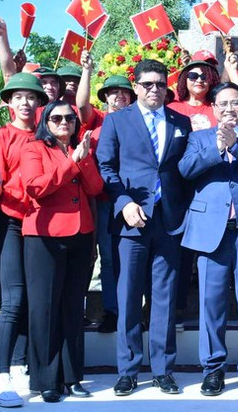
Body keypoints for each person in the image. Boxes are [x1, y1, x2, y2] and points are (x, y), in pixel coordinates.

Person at [96, 59, 192, 397]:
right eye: (148, 84)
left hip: (168, 221)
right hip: (131, 222)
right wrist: (124, 203)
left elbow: (186, 168)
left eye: (160, 84)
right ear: (135, 86)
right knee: (128, 297)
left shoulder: (181, 121)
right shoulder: (117, 121)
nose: (155, 90)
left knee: (163, 299)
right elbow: (105, 167)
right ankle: (128, 370)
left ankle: (163, 369)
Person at [178, 82, 238, 397]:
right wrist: (218, 148)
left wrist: (237, 146)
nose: (229, 109)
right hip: (212, 233)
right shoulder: (198, 137)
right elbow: (186, 169)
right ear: (214, 108)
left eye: (235, 103)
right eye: (223, 104)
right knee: (211, 303)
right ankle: (213, 369)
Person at [20, 100, 103, 402]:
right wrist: (71, 164)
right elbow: (35, 187)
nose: (64, 122)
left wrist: (82, 160)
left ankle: (72, 377)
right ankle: (45, 380)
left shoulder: (81, 149)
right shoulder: (34, 149)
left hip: (80, 234)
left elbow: (95, 188)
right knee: (44, 310)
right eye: (56, 118)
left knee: (72, 308)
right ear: (46, 122)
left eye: (69, 117)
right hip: (45, 236)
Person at [0, 73, 48, 407]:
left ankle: (21, 365)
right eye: (18, 97)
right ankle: (1, 376)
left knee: (33, 297)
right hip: (10, 221)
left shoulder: (48, 132)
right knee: (12, 299)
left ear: (39, 102)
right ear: (9, 103)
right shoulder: (0, 136)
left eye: (31, 97)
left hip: (43, 224)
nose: (25, 103)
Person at [86, 74, 135, 333]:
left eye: (124, 92)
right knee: (108, 258)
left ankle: (137, 309)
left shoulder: (139, 121)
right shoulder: (97, 125)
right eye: (113, 92)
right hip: (104, 200)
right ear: (104, 97)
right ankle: (112, 310)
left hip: (135, 200)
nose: (119, 96)